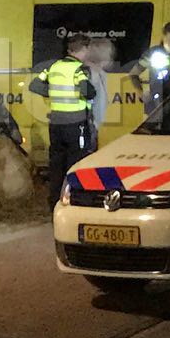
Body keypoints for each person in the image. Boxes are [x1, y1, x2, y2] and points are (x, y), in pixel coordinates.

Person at [29, 34, 97, 208]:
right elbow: (88, 92)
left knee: (57, 165)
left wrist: (51, 92)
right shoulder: (79, 69)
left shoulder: (54, 66)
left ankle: (54, 204)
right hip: (76, 124)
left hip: (56, 125)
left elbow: (34, 85)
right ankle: (74, 203)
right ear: (83, 50)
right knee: (76, 163)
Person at [85, 37, 114, 150]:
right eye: (109, 53)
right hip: (89, 125)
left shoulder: (100, 73)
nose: (111, 57)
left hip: (94, 126)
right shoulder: (91, 74)